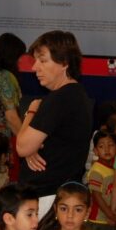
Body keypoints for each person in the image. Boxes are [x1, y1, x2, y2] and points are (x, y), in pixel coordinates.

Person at [16, 30, 93, 218]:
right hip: (56, 195)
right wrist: (33, 148)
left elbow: (22, 146)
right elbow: (36, 145)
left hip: (47, 197)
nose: (35, 67)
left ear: (64, 62)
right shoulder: (75, 95)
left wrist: (31, 111)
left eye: (43, 61)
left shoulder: (60, 98)